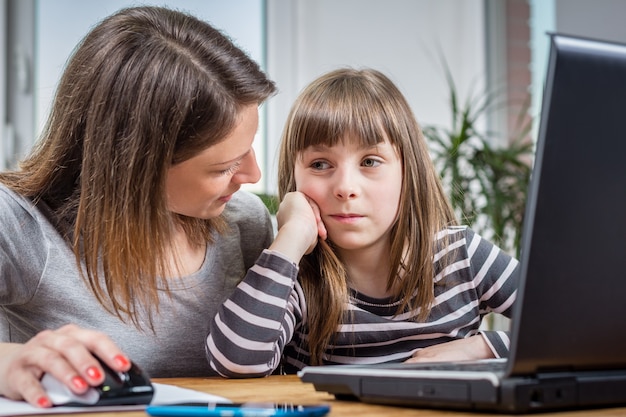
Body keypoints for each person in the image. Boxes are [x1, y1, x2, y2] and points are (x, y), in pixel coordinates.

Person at [0, 6, 276, 407]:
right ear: (137, 166)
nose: (253, 175)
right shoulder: (19, 226)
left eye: (248, 148)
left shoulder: (245, 225)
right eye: (225, 166)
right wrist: (8, 362)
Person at [205, 68, 519, 377]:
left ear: (408, 171)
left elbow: (567, 323)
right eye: (320, 164)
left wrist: (483, 347)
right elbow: (236, 360)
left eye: (369, 161)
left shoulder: (461, 255)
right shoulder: (298, 278)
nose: (345, 187)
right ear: (295, 178)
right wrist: (291, 237)